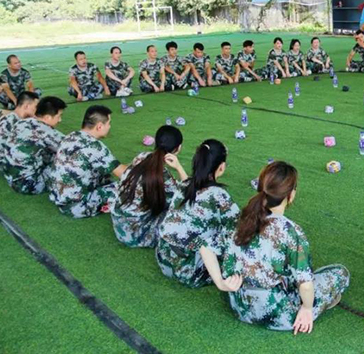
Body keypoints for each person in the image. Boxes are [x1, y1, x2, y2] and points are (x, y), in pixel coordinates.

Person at [201, 161, 350, 333]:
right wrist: (307, 309)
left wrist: (220, 283)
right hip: (280, 316)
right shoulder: (291, 231)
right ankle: (316, 304)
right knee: (340, 273)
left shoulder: (242, 218)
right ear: (291, 195)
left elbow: (206, 247)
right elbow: (306, 285)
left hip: (239, 307)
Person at [156, 139, 239, 288]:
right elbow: (240, 228)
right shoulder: (219, 195)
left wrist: (179, 167)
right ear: (221, 167)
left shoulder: (185, 185)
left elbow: (190, 184)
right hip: (190, 272)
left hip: (163, 258)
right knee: (232, 235)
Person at [111, 125, 188, 248]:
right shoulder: (163, 176)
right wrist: (179, 167)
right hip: (136, 236)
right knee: (185, 212)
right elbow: (188, 194)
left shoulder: (142, 156)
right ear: (178, 148)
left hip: (119, 224)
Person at [49, 105, 127, 218]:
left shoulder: (71, 135)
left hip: (60, 196)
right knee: (130, 188)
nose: (109, 126)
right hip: (77, 206)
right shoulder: (94, 146)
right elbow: (125, 174)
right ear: (99, 126)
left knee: (106, 176)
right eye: (108, 123)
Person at [1, 96, 66, 195]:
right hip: (28, 185)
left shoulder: (22, 122)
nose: (60, 120)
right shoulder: (46, 132)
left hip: (10, 177)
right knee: (70, 161)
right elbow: (70, 146)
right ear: (47, 117)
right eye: (59, 116)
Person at [0, 91, 40, 172]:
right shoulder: (13, 121)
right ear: (26, 106)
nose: (38, 110)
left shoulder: (15, 118)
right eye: (36, 107)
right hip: (5, 162)